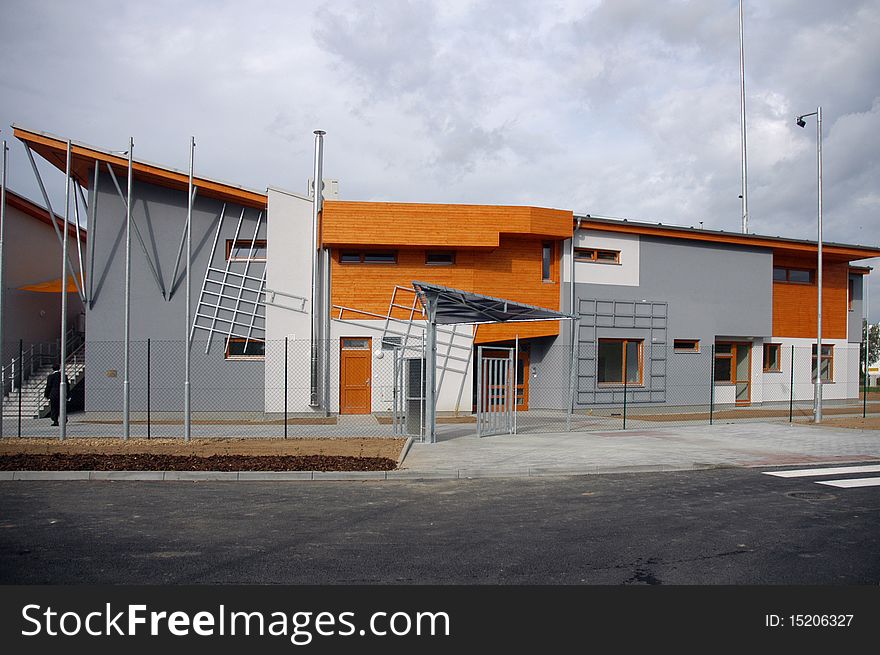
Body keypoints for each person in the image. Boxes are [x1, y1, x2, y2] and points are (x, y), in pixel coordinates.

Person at [43, 361, 70, 426]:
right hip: (62, 393)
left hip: (54, 394)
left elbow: (48, 386)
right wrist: (68, 395)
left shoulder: (50, 377)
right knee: (62, 407)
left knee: (54, 407)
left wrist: (46, 394)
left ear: (53, 369)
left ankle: (55, 421)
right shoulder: (63, 376)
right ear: (59, 368)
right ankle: (64, 418)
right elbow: (67, 386)